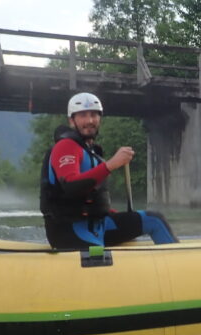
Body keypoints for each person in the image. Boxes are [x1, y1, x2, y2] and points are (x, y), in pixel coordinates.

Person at [40, 92, 178, 250]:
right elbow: (71, 186)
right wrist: (111, 164)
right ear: (72, 120)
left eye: (94, 115)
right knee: (100, 254)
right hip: (69, 231)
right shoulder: (66, 146)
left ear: (100, 119)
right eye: (83, 115)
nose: (89, 120)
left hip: (99, 224)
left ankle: (179, 266)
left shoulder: (91, 152)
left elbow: (93, 195)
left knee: (155, 220)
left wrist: (111, 212)